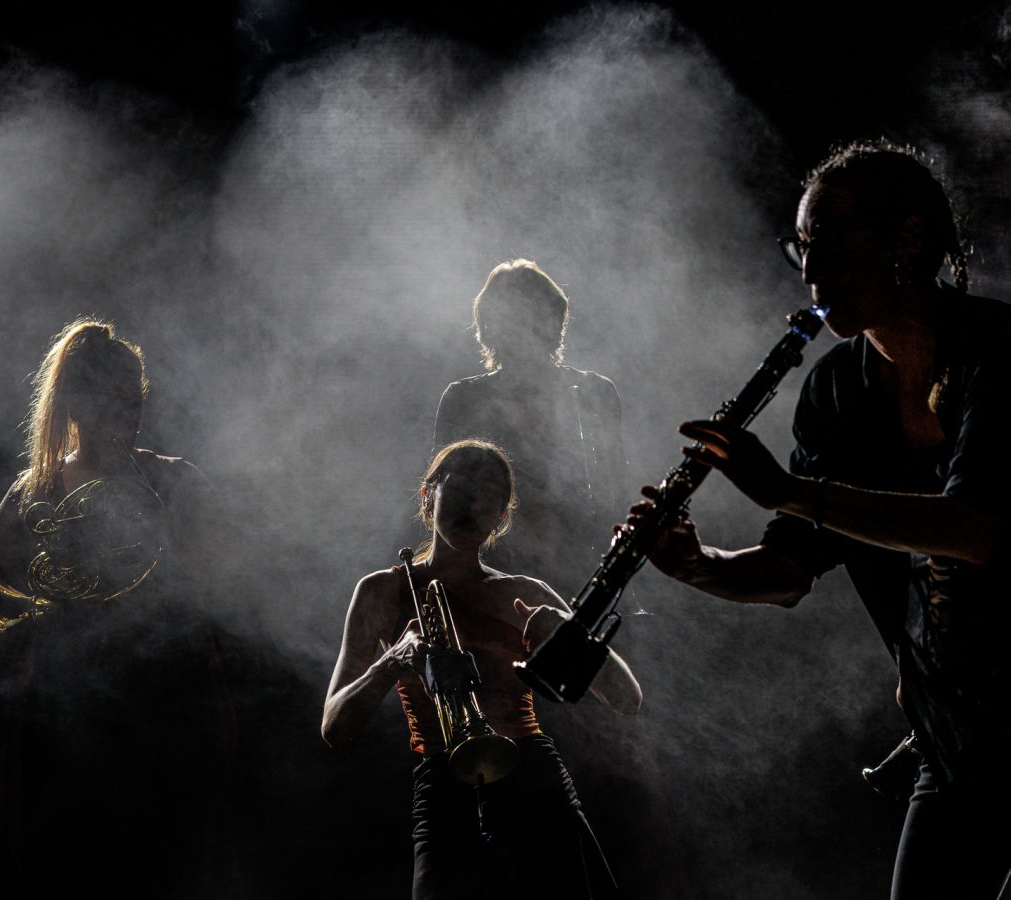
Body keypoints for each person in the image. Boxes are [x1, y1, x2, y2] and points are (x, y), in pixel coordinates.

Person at [627, 139, 1011, 898]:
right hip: (957, 738)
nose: (809, 272)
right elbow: (789, 572)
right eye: (800, 248)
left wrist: (786, 490)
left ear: (906, 240)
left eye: (828, 244)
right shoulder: (836, 391)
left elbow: (974, 531)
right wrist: (696, 563)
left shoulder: (997, 351)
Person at [0, 317, 228, 898]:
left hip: (159, 702)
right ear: (74, 406)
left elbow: (217, 587)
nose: (126, 416)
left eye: (133, 402)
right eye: (111, 401)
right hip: (61, 711)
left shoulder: (173, 480)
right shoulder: (34, 489)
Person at [323, 438, 641, 899]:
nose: (472, 506)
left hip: (533, 779)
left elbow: (627, 700)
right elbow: (334, 727)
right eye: (459, 490)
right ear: (427, 496)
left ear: (501, 517)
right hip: (442, 783)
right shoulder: (380, 592)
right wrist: (389, 662)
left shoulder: (525, 592)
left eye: (489, 497)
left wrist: (570, 634)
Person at [433, 259, 632, 599]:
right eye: (509, 317)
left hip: (578, 561)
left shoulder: (593, 392)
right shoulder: (464, 398)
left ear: (555, 322)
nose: (522, 327)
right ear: (489, 326)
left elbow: (617, 488)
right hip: (488, 565)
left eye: (534, 314)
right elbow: (441, 499)